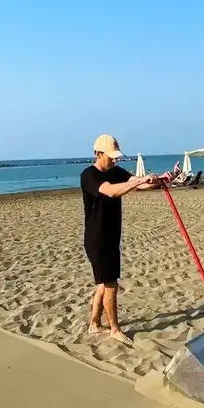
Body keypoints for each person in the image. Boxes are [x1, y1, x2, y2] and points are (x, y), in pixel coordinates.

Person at [80, 135, 162, 346]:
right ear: (98, 154)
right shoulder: (89, 175)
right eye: (110, 157)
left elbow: (136, 184)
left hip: (112, 236)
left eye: (116, 157)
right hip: (97, 240)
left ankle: (94, 324)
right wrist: (137, 182)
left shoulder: (116, 172)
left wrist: (159, 180)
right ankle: (114, 329)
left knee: (103, 284)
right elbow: (111, 191)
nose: (114, 161)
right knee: (111, 285)